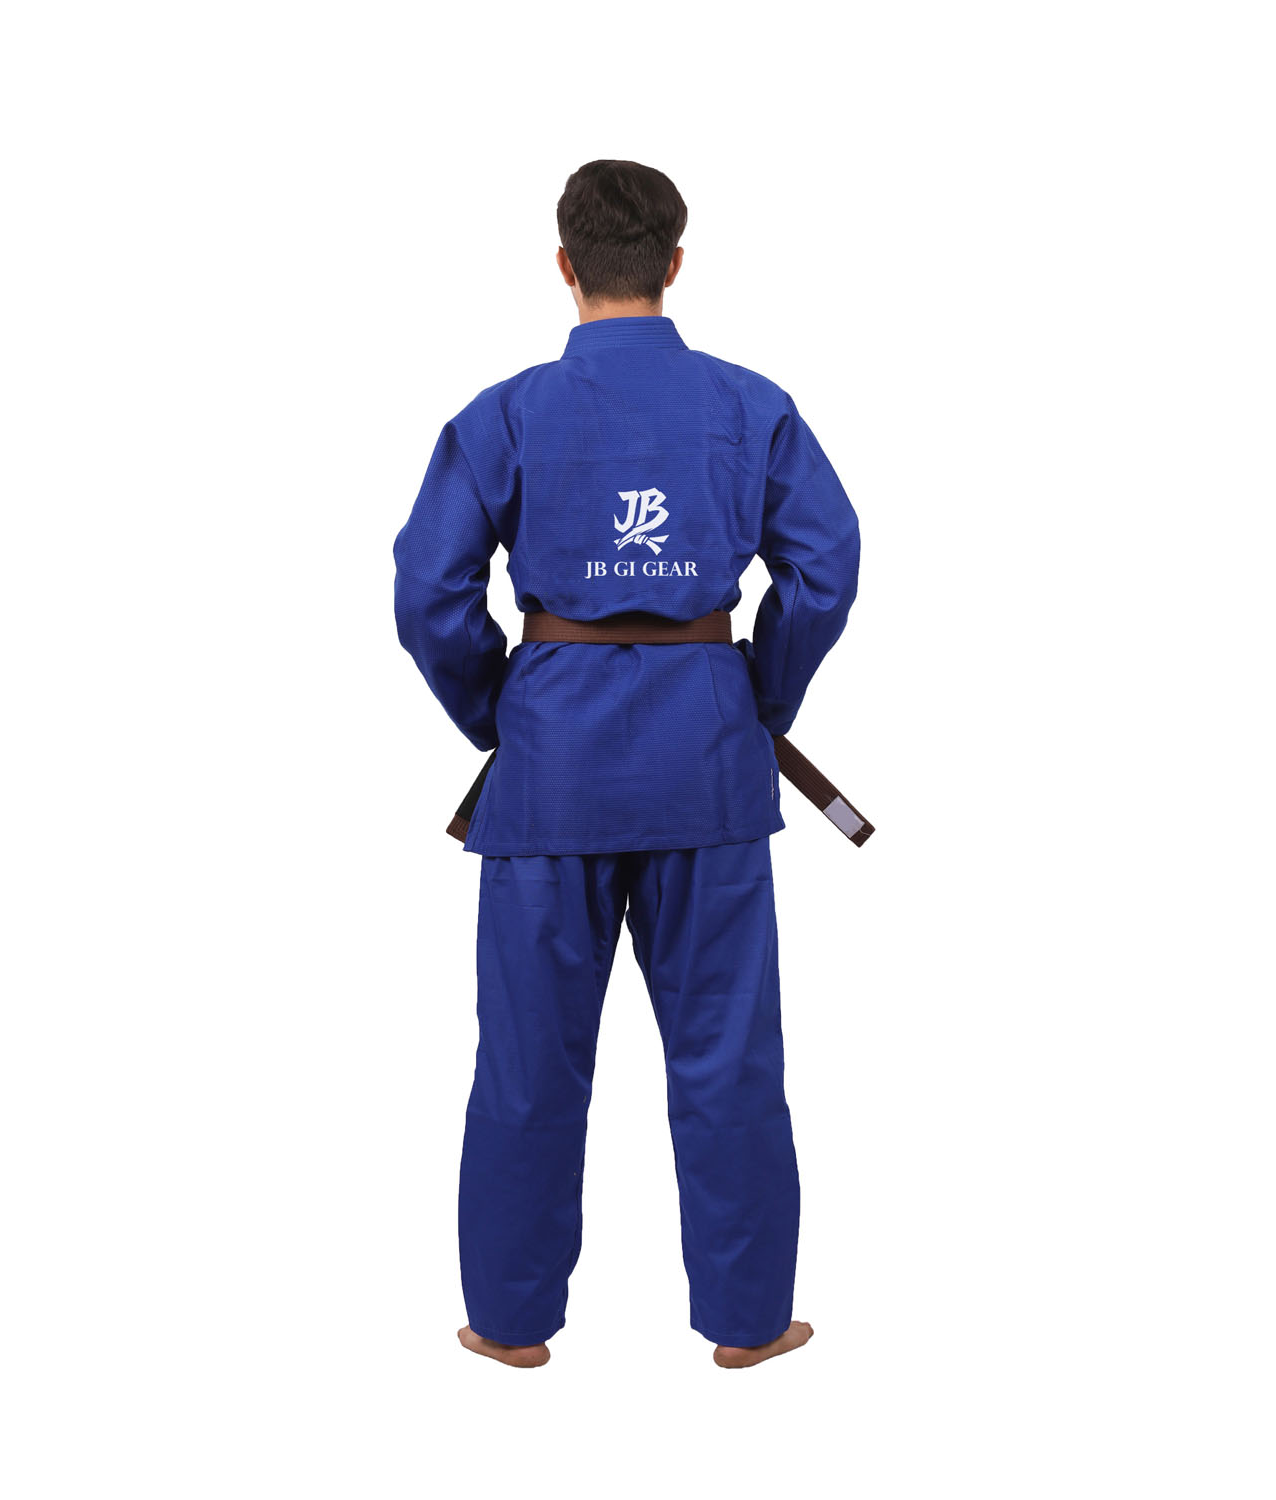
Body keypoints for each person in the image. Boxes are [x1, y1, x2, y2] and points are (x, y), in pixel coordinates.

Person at [393, 160, 860, 1369]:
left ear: (565, 265)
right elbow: (827, 567)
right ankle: (749, 1325)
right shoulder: (749, 406)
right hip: (707, 767)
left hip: (551, 776)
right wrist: (756, 697)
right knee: (728, 1060)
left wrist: (503, 715)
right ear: (676, 263)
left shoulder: (506, 415)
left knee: (527, 1066)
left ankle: (509, 1324)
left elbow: (428, 592)